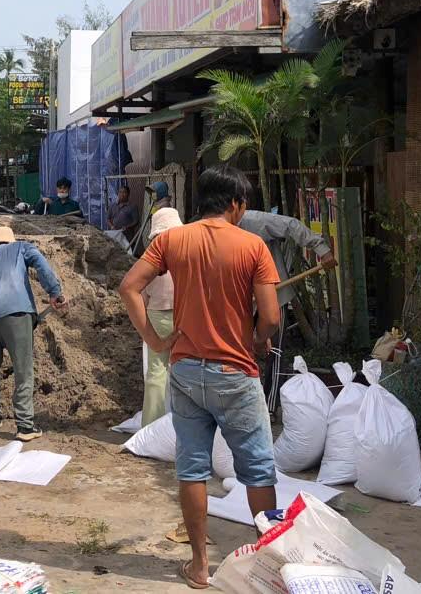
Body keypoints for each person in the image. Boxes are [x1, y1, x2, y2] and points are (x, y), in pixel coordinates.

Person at [119, 165, 281, 591]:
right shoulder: (252, 246)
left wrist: (156, 340)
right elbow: (271, 317)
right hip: (235, 372)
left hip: (187, 370)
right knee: (258, 470)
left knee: (192, 468)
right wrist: (257, 340)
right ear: (235, 204)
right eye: (244, 204)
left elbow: (129, 287)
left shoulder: (172, 240)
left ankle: (199, 566)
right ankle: (268, 563)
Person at [0, 224, 67, 442]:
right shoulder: (21, 247)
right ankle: (25, 426)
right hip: (16, 312)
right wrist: (54, 292)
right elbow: (40, 263)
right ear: (10, 240)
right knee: (23, 368)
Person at [140, 206, 181, 424]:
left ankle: (151, 426)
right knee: (184, 369)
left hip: (156, 315)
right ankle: (182, 423)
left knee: (156, 371)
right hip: (184, 317)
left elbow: (140, 294)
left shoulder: (150, 256)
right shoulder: (186, 253)